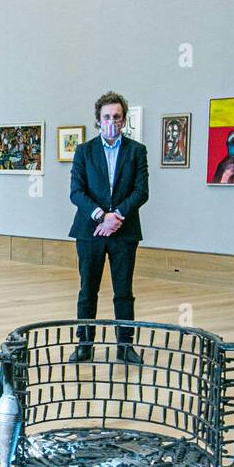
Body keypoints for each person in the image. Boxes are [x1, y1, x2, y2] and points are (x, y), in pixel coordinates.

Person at [68, 91, 149, 364]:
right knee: (87, 291)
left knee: (123, 292)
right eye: (106, 117)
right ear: (98, 120)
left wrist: (117, 216)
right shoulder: (84, 151)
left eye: (116, 117)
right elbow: (76, 192)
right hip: (89, 231)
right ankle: (85, 345)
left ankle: (125, 346)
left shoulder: (137, 151)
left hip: (124, 232)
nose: (111, 121)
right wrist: (102, 216)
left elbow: (141, 191)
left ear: (124, 120)